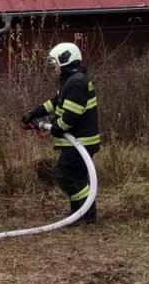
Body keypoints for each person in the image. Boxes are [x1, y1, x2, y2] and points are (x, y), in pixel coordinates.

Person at [21, 41, 101, 223]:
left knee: (65, 175)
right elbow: (56, 102)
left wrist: (57, 128)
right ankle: (80, 215)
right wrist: (35, 112)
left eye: (55, 63)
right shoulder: (71, 81)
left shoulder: (76, 83)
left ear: (65, 60)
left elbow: (73, 114)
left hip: (81, 140)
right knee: (75, 176)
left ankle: (86, 213)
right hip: (77, 141)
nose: (54, 67)